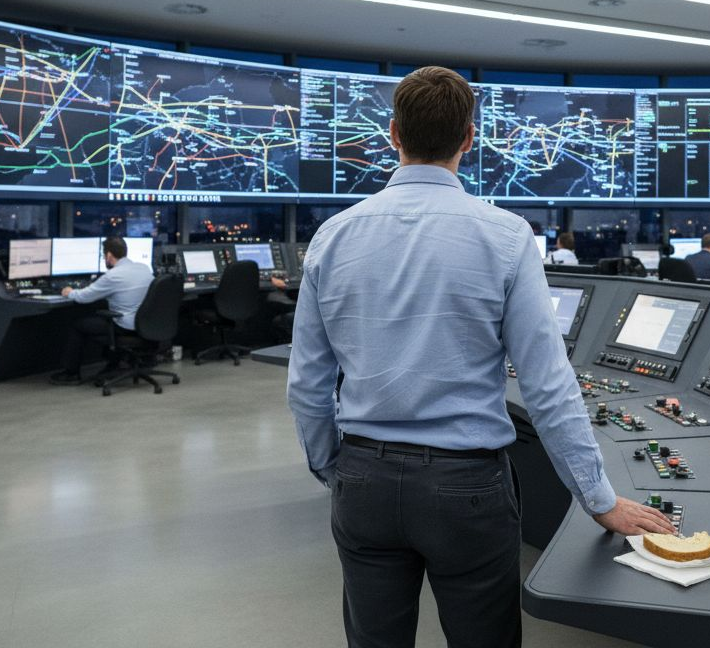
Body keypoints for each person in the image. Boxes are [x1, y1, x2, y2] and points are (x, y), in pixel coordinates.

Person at [286, 67, 673, 648]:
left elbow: (308, 384)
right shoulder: (507, 236)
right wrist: (596, 497)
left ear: (393, 134)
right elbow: (547, 386)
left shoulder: (331, 237)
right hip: (465, 487)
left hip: (363, 478)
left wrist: (334, 470)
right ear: (470, 138)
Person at [49, 237, 154, 385]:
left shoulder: (112, 276)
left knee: (78, 325)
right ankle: (114, 364)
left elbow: (84, 297)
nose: (104, 258)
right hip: (145, 324)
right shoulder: (144, 268)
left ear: (109, 255)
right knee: (105, 316)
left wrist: (69, 292)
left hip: (125, 326)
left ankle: (71, 373)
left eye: (103, 255)